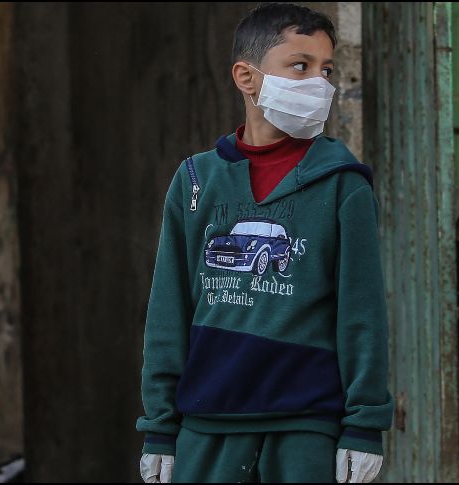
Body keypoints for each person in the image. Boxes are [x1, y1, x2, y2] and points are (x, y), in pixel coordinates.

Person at [136, 3, 393, 483]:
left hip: (305, 428)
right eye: (300, 66)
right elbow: (168, 310)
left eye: (326, 70)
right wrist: (159, 427)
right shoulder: (196, 180)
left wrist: (364, 423)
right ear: (246, 77)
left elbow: (362, 313)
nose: (319, 84)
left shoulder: (344, 184)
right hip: (207, 424)